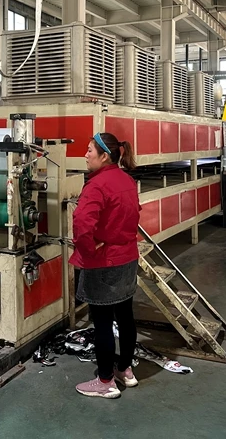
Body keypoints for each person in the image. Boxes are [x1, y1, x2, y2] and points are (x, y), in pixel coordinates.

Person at [71, 132, 141, 399]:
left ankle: (105, 381)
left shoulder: (96, 185)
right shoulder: (126, 180)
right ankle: (125, 370)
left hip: (104, 261)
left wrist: (89, 252)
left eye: (90, 150)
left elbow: (82, 224)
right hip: (127, 258)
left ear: (104, 156)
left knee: (101, 322)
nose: (85, 155)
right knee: (125, 316)